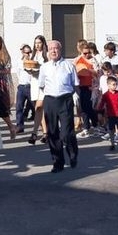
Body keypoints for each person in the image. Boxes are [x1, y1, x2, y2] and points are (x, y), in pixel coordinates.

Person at [37, 40, 78, 173]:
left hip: (65, 99)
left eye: (56, 49)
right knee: (52, 132)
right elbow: (42, 85)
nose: (54, 51)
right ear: (47, 52)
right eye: (51, 49)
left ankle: (72, 153)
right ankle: (57, 162)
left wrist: (78, 101)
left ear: (61, 50)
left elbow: (75, 85)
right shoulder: (44, 67)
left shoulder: (69, 65)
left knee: (67, 132)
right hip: (50, 100)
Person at [96, 76, 118, 151]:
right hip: (110, 115)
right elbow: (101, 103)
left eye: (116, 84)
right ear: (108, 85)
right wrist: (99, 111)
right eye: (113, 84)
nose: (115, 86)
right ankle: (112, 143)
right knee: (111, 130)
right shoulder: (106, 95)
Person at [73, 39, 98, 138]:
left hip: (91, 87)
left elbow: (97, 72)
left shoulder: (93, 60)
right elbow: (73, 70)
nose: (87, 55)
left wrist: (88, 70)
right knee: (83, 108)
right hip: (80, 86)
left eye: (88, 52)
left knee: (89, 108)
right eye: (85, 53)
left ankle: (94, 126)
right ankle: (86, 128)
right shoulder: (77, 59)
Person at [27, 35, 49, 144]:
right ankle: (45, 132)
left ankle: (34, 133)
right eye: (36, 43)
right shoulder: (33, 55)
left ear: (43, 44)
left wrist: (38, 70)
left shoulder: (47, 55)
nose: (37, 45)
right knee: (40, 109)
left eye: (39, 42)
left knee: (38, 107)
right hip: (34, 83)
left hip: (43, 85)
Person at [15, 44, 34, 134]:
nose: (28, 54)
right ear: (23, 52)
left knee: (35, 107)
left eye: (29, 52)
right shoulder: (19, 61)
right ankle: (20, 126)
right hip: (22, 86)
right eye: (26, 52)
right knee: (19, 106)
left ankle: (43, 124)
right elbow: (18, 72)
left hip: (30, 86)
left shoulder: (33, 60)